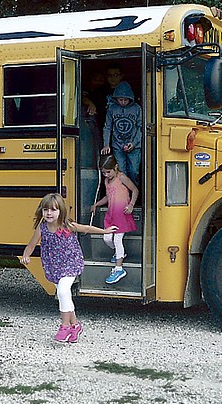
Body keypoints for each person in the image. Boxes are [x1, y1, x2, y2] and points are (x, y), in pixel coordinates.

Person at [20, 193, 117, 343]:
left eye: (53, 210)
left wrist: (104, 231)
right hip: (53, 266)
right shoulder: (42, 228)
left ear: (61, 211)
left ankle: (64, 326)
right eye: (46, 210)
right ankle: (75, 325)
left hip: (70, 263)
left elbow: (86, 228)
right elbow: (31, 244)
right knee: (64, 295)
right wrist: (26, 256)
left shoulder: (67, 226)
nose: (49, 213)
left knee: (63, 291)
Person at [91, 154, 139, 284]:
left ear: (116, 167)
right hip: (111, 214)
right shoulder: (107, 181)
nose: (106, 175)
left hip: (122, 214)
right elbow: (108, 197)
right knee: (106, 237)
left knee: (117, 239)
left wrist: (131, 205)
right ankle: (119, 254)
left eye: (108, 171)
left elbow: (135, 190)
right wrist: (97, 204)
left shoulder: (122, 178)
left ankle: (119, 268)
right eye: (104, 172)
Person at [101, 81, 142, 187]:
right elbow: (107, 127)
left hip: (134, 146)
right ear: (116, 98)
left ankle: (135, 194)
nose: (123, 102)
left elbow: (140, 128)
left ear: (130, 98)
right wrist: (106, 144)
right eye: (120, 99)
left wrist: (134, 142)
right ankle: (124, 195)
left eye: (125, 99)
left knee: (134, 171)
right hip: (117, 145)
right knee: (121, 171)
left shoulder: (137, 108)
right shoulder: (112, 109)